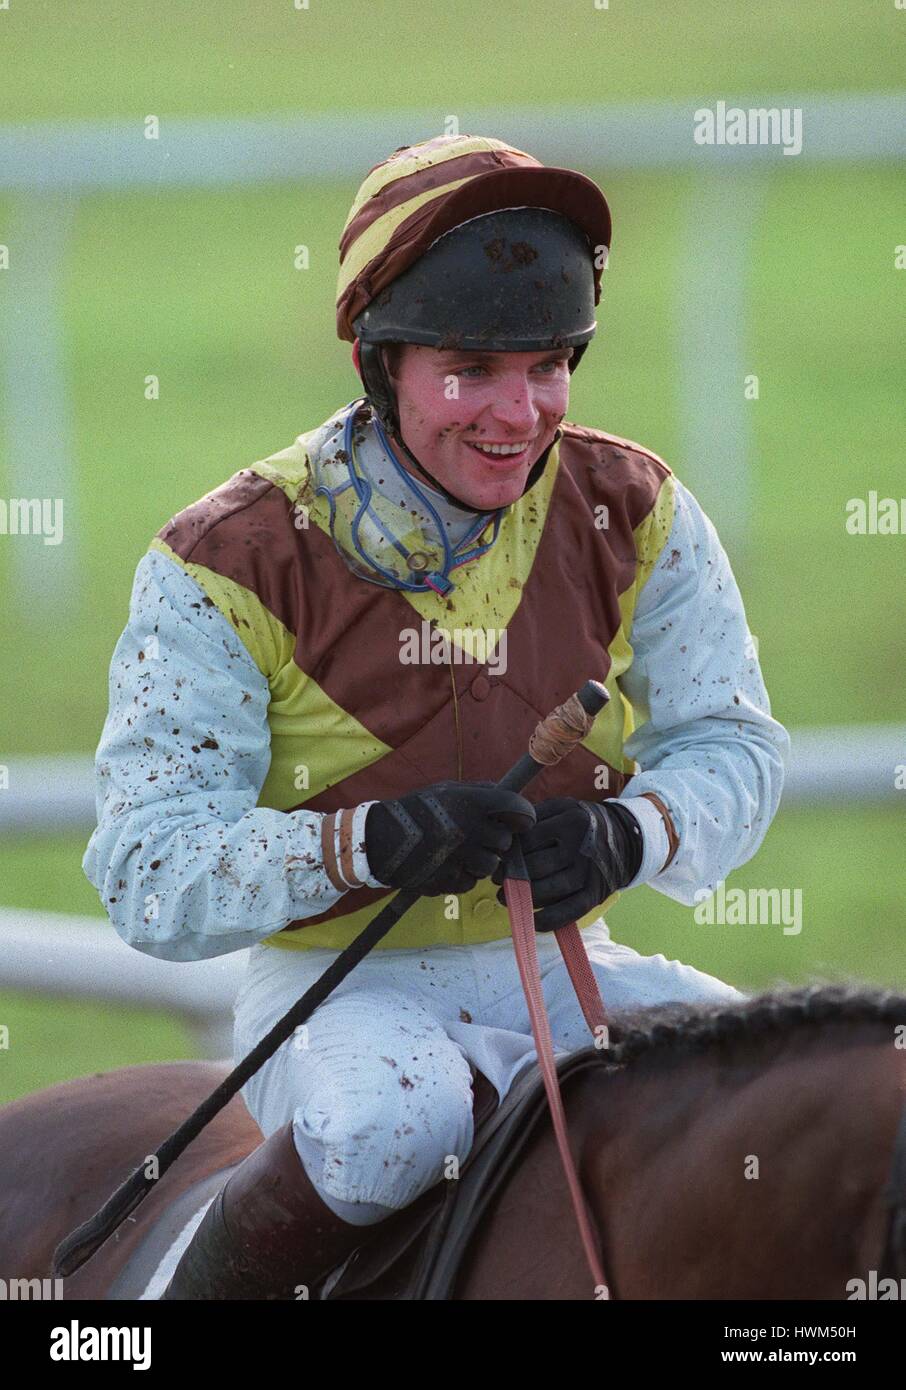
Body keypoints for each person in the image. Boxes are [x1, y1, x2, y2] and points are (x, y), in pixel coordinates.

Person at [83, 134, 790, 1299]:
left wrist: (635, 832)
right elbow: (145, 870)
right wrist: (363, 845)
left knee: (772, 1103)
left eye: (552, 363)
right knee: (386, 1126)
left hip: (569, 970)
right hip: (334, 991)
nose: (521, 413)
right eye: (472, 368)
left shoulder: (640, 507)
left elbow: (733, 741)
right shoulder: (220, 560)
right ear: (378, 362)